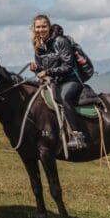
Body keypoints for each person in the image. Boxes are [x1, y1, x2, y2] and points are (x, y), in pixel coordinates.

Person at [29, 13, 86, 151]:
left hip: (71, 79)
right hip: (54, 81)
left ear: (49, 26)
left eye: (44, 26)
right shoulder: (38, 46)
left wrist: (47, 72)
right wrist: (37, 69)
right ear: (34, 28)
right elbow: (44, 70)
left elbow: (68, 66)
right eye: (38, 27)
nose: (41, 29)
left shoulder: (60, 41)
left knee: (64, 97)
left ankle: (76, 136)